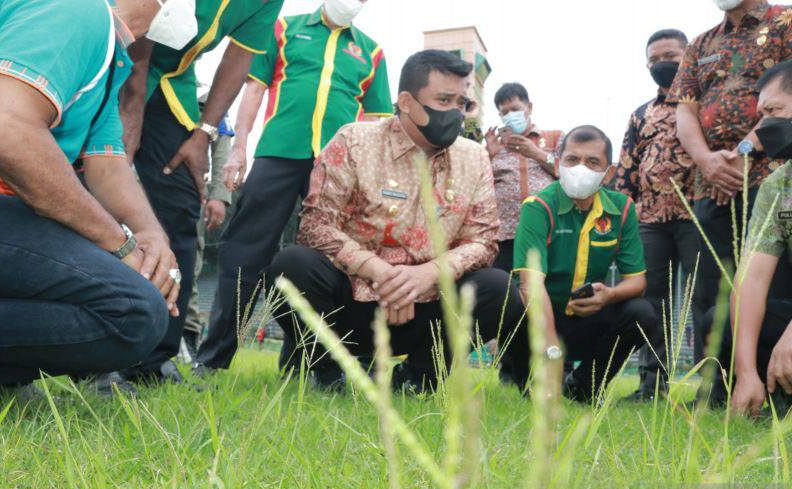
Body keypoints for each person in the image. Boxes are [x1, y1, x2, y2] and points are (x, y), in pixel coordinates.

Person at [265, 50, 529, 392]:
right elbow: (316, 226)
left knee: (497, 289)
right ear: (406, 101)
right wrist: (382, 274)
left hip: (427, 311)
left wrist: (425, 275)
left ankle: (417, 379)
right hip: (351, 304)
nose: (455, 113)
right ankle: (327, 371)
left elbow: (483, 241)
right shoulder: (354, 141)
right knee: (292, 265)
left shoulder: (474, 156)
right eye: (444, 99)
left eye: (462, 103)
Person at [0, 0, 185, 394]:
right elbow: (5, 127)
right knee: (132, 311)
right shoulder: (78, 12)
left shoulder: (110, 55)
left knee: (138, 303)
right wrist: (121, 245)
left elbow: (107, 164)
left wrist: (152, 237)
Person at [194, 0, 394, 375]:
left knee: (323, 263)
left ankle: (305, 359)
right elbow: (254, 89)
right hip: (280, 152)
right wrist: (239, 148)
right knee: (244, 253)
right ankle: (213, 360)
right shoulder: (284, 29)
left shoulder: (372, 52)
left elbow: (377, 121)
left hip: (338, 169)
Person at [111, 0, 284, 386]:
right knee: (92, 178)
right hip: (114, 56)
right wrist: (131, 104)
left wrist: (203, 133)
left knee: (181, 203)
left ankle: (155, 359)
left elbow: (241, 56)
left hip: (171, 82)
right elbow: (141, 16)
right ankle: (88, 356)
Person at [668, 0, 792, 404]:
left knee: (778, 287)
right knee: (715, 294)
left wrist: (743, 152)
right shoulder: (702, 43)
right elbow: (685, 110)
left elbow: (779, 105)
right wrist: (707, 162)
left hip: (767, 169)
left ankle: (777, 387)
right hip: (711, 187)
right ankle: (722, 388)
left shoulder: (786, 20)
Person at [511, 126, 658, 402]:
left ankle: (584, 385)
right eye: (572, 159)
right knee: (511, 301)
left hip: (585, 319)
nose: (581, 168)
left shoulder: (622, 210)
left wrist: (609, 296)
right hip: (538, 322)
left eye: (592, 162)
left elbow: (637, 282)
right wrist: (551, 350)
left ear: (609, 172)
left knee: (642, 313)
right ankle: (527, 377)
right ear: (558, 163)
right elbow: (530, 284)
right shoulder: (538, 207)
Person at [613, 29, 699, 401]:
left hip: (698, 215)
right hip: (648, 222)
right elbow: (626, 170)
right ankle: (651, 386)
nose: (663, 64)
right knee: (652, 304)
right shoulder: (640, 115)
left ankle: (712, 386)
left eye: (671, 56)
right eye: (655, 59)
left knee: (704, 300)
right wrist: (623, 218)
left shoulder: (703, 105)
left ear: (689, 55)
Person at [704, 60, 792, 418]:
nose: (764, 126)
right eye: (761, 115)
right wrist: (745, 373)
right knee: (720, 318)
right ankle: (755, 399)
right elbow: (751, 279)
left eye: (774, 111)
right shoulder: (779, 184)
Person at [484, 82, 563, 272]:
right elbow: (476, 187)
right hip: (505, 236)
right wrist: (487, 155)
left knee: (544, 288)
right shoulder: (494, 145)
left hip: (547, 231)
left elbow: (568, 174)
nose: (510, 115)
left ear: (529, 107)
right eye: (505, 112)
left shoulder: (554, 137)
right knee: (507, 292)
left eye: (515, 109)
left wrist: (537, 153)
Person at [180, 104, 234, 363]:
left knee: (188, 263)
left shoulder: (208, 99)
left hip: (190, 190)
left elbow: (222, 146)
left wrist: (220, 196)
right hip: (136, 185)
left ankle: (188, 334)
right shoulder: (140, 81)